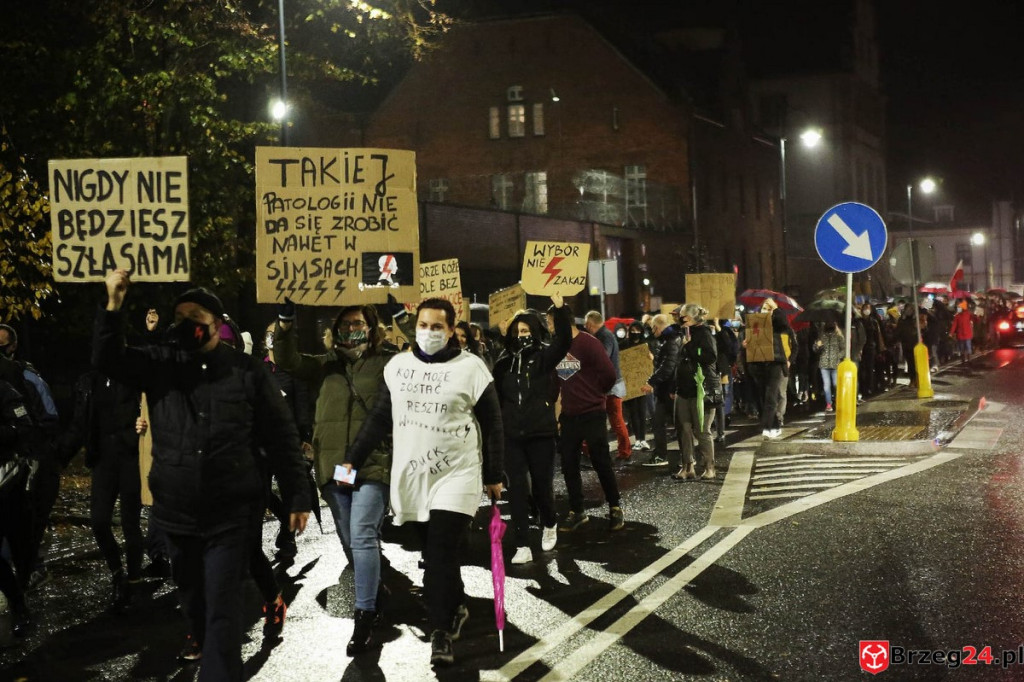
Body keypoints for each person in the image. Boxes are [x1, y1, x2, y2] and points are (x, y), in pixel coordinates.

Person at [93, 270, 311, 682]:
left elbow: (281, 435)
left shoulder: (247, 371)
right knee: (194, 604)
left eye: (195, 316)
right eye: (180, 317)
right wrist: (114, 304)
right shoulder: (160, 366)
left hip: (231, 513)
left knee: (223, 614)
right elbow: (107, 359)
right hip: (176, 513)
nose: (185, 324)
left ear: (216, 322)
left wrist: (298, 495)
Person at [343, 298, 504, 667]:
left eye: (437, 327)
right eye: (423, 325)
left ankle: (441, 631)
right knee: (431, 551)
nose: (428, 332)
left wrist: (494, 475)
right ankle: (457, 602)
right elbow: (379, 420)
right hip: (414, 477)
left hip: (457, 476)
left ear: (451, 330)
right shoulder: (398, 367)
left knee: (440, 554)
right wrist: (348, 463)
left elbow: (493, 425)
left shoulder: (472, 368)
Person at [273, 302, 397, 656]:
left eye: (358, 323)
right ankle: (373, 585)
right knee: (350, 540)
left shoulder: (386, 364)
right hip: (332, 467)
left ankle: (365, 616)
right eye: (344, 323)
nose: (350, 328)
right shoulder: (324, 365)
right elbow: (287, 360)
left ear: (372, 328)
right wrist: (285, 325)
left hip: (373, 463)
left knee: (362, 534)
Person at [493, 294, 571, 565]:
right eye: (517, 331)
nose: (521, 335)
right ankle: (522, 544)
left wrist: (561, 309)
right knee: (515, 491)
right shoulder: (503, 363)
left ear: (535, 332)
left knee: (541, 486)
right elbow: (496, 397)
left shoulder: (543, 358)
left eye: (526, 330)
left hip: (541, 434)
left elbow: (563, 342)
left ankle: (549, 522)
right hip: (512, 437)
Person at [60, 370, 144, 613]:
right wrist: (61, 454)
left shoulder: (133, 375)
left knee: (131, 524)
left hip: (130, 458)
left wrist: (145, 426)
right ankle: (117, 572)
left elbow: (152, 406)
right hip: (103, 460)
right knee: (98, 521)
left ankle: (134, 581)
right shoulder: (89, 380)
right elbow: (79, 421)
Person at [551, 304, 623, 533]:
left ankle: (615, 507)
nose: (549, 327)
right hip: (569, 415)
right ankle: (577, 510)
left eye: (551, 322)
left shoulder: (589, 343)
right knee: (569, 464)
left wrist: (596, 395)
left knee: (601, 461)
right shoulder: (556, 347)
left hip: (592, 413)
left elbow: (609, 374)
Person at [0, 324, 60, 590]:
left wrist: (29, 444)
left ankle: (30, 572)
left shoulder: (28, 377)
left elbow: (49, 416)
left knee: (28, 519)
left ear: (12, 346)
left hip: (30, 459)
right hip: (7, 458)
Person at [0, 370, 34, 638]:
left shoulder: (5, 390)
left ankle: (19, 603)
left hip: (5, 478)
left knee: (18, 542)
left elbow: (24, 427)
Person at [672, 305, 718, 480]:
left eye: (683, 317)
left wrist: (690, 347)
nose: (680, 320)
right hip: (684, 389)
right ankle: (688, 466)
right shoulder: (683, 333)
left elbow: (710, 357)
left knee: (701, 430)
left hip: (702, 389)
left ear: (691, 318)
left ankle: (709, 467)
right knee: (683, 428)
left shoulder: (704, 333)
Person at [744, 298, 797, 439]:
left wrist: (774, 311)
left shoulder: (779, 323)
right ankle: (774, 425)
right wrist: (746, 344)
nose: (765, 311)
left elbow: (783, 324)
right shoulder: (756, 324)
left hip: (777, 363)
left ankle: (767, 425)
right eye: (763, 308)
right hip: (760, 364)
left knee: (772, 395)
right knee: (764, 395)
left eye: (768, 308)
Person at [583, 311, 631, 460]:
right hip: (610, 385)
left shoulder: (604, 337)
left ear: (590, 324)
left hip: (610, 386)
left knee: (615, 420)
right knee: (613, 420)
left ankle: (625, 451)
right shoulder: (605, 335)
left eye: (586, 324)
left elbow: (602, 356)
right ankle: (623, 451)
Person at [641, 314, 681, 468]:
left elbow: (668, 367)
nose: (653, 332)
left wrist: (651, 382)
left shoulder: (670, 341)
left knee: (677, 425)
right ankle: (665, 455)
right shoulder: (670, 339)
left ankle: (684, 458)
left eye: (653, 329)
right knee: (662, 422)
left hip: (670, 389)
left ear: (657, 327)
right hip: (668, 389)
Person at [621, 321, 652, 452]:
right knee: (633, 412)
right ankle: (638, 439)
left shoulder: (646, 345)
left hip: (642, 382)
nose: (635, 333)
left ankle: (643, 439)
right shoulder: (623, 345)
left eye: (637, 330)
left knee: (642, 411)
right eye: (632, 331)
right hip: (630, 384)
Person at [713, 319, 739, 442]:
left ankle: (721, 429)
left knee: (721, 399)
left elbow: (729, 347)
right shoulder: (702, 329)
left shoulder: (726, 331)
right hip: (708, 370)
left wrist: (718, 329)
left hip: (722, 369)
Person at [814, 319, 844, 413]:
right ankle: (829, 404)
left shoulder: (839, 336)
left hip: (835, 364)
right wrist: (817, 347)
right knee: (826, 385)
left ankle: (838, 401)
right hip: (824, 364)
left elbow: (844, 349)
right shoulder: (821, 336)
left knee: (836, 384)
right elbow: (815, 349)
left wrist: (838, 356)